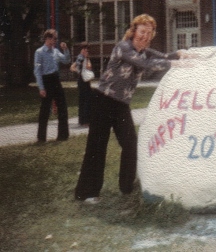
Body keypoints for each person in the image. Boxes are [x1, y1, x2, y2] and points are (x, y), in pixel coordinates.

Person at [75, 14, 192, 204]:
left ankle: (127, 187)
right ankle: (87, 193)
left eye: (149, 33)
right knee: (97, 148)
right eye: (142, 31)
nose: (144, 36)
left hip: (121, 105)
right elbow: (145, 64)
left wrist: (179, 54)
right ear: (133, 31)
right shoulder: (124, 48)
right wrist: (173, 63)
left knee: (131, 146)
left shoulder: (144, 51)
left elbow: (164, 56)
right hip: (103, 101)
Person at [33, 28, 71, 142]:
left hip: (55, 79)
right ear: (48, 38)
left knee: (62, 107)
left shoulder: (55, 51)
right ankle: (41, 137)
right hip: (46, 80)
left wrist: (66, 50)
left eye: (56, 39)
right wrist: (41, 87)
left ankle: (63, 135)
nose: (55, 41)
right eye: (54, 38)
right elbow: (37, 71)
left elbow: (66, 60)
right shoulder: (39, 52)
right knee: (45, 110)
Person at [73, 42, 92, 127]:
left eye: (87, 49)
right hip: (83, 80)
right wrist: (87, 58)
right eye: (85, 49)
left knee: (83, 100)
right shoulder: (82, 57)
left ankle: (82, 120)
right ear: (82, 49)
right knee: (86, 100)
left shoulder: (80, 57)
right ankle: (85, 121)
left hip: (83, 79)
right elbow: (88, 67)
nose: (86, 51)